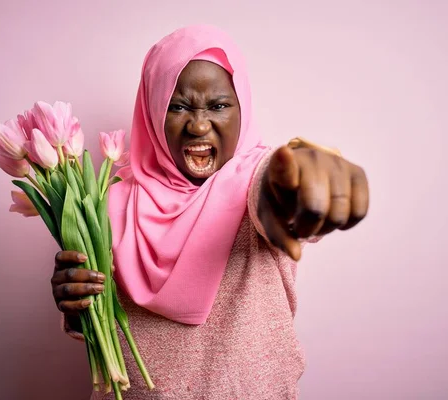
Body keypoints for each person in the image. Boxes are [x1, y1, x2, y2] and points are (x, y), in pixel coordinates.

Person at [50, 25, 368, 399]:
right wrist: (76, 299)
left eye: (218, 106)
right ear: (152, 111)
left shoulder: (255, 178)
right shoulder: (110, 199)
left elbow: (276, 198)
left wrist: (303, 181)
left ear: (241, 108)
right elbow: (98, 322)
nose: (199, 125)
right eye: (178, 106)